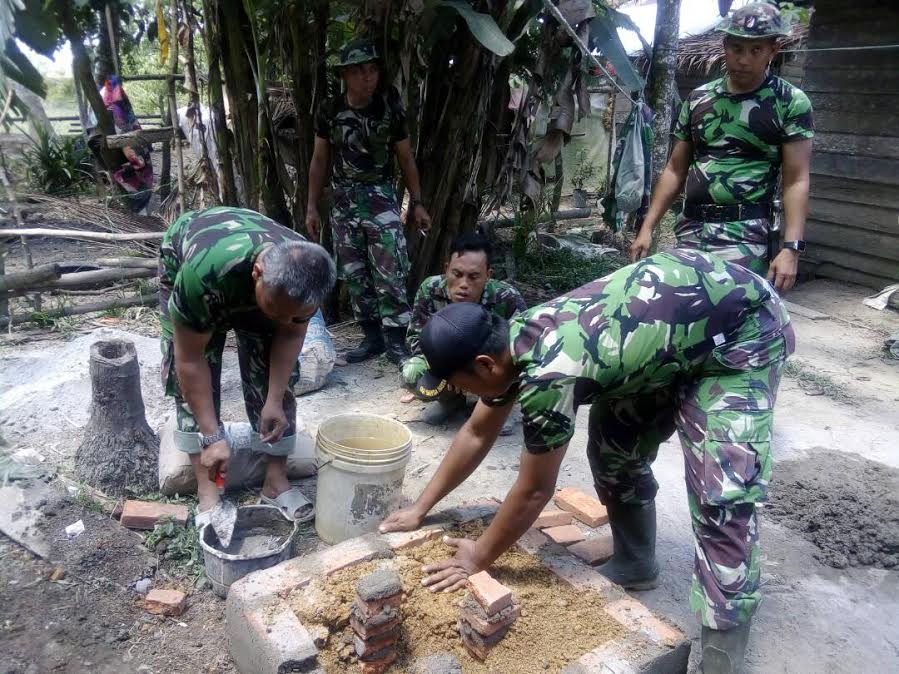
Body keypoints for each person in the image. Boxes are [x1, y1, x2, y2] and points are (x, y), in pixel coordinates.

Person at [380, 249, 795, 673]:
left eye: (457, 383)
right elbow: (477, 431)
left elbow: (534, 490)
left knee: (721, 494)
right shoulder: (510, 344)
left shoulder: (548, 373)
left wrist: (477, 557)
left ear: (484, 365)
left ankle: (722, 663)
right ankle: (636, 563)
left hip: (743, 329)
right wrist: (419, 508)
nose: (460, 392)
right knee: (614, 442)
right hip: (677, 328)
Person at [158, 206, 336, 524]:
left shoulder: (308, 278)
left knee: (271, 369)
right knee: (195, 372)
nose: (283, 321)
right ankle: (208, 490)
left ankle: (275, 481)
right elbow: (190, 360)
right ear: (257, 273)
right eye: (275, 309)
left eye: (295, 314)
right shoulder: (202, 275)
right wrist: (212, 437)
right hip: (197, 256)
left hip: (256, 275)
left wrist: (273, 400)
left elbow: (290, 334)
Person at [630, 2, 814, 293]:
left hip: (745, 237)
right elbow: (675, 169)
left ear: (772, 50)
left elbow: (796, 179)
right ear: (724, 45)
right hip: (691, 230)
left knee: (732, 322)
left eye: (756, 50)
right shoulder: (699, 99)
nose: (744, 59)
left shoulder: (789, 101)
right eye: (737, 48)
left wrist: (791, 248)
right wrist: (648, 227)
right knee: (682, 318)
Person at [306, 38, 432, 365]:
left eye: (373, 70)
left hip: (380, 197)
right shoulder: (329, 110)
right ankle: (372, 337)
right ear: (345, 75)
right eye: (361, 71)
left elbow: (405, 158)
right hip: (343, 199)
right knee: (354, 271)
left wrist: (416, 202)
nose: (369, 77)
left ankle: (396, 342)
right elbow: (319, 160)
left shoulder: (389, 107)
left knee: (389, 268)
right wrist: (311, 205)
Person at [402, 233, 527, 427]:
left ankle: (497, 406)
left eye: (474, 277)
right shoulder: (430, 289)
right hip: (446, 365)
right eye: (457, 274)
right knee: (411, 372)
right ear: (446, 269)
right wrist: (446, 368)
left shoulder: (506, 297)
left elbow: (522, 351)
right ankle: (450, 402)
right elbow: (415, 339)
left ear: (488, 275)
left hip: (489, 369)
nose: (463, 285)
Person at [100, 75, 154, 214]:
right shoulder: (114, 102)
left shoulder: (115, 102)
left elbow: (127, 129)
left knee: (139, 173)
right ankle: (140, 212)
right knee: (137, 176)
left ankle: (141, 212)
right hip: (122, 149)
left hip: (126, 148)